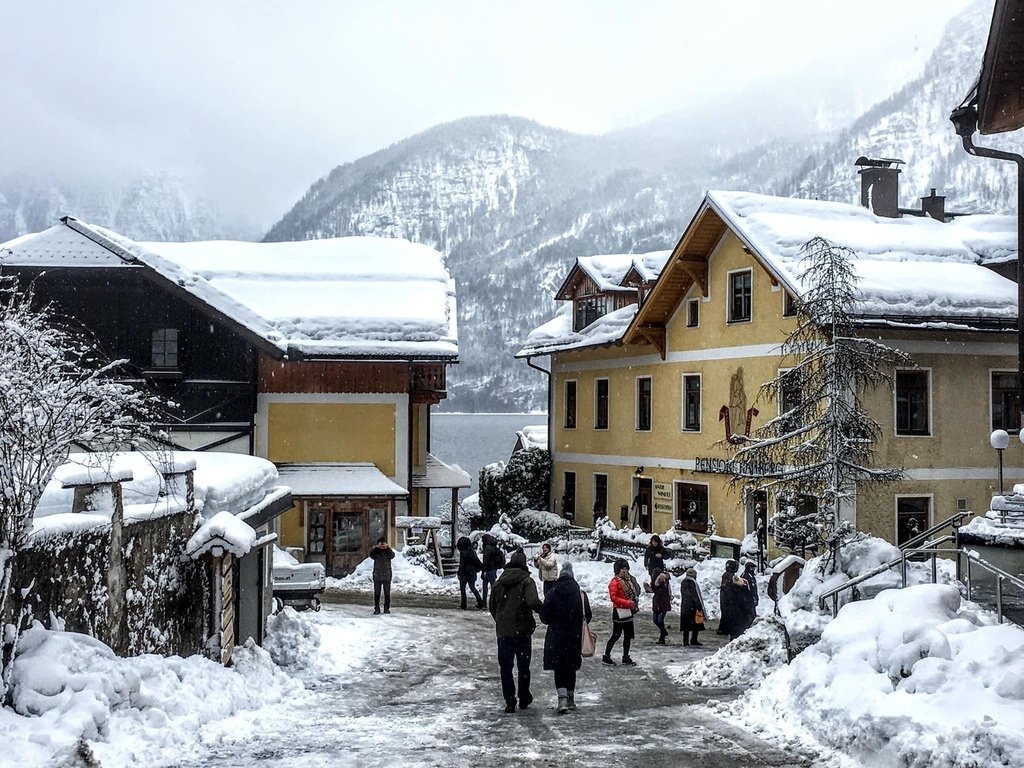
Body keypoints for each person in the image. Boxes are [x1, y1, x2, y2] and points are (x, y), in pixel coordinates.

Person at [488, 549, 543, 713]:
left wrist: (501, 620)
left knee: (505, 667)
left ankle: (509, 700)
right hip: (522, 630)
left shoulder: (499, 582)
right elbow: (533, 601)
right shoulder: (526, 581)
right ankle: (524, 697)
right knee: (523, 666)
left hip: (504, 632)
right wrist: (545, 612)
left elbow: (492, 606)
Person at [539, 561, 592, 714]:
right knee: (570, 667)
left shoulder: (552, 592)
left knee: (559, 667)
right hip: (574, 636)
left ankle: (562, 699)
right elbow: (587, 616)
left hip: (556, 636)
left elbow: (544, 617)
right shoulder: (580, 594)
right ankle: (570, 698)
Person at [602, 559, 639, 666]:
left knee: (628, 636)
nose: (625, 570)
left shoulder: (628, 581)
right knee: (616, 635)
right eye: (623, 568)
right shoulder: (614, 582)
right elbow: (614, 598)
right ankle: (606, 655)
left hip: (628, 611)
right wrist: (627, 602)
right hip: (619, 611)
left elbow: (635, 590)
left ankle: (626, 656)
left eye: (626, 568)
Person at [720, 574, 756, 640]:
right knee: (738, 633)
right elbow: (745, 603)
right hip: (739, 616)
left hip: (732, 616)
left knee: (734, 633)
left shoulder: (729, 591)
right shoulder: (741, 592)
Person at [679, 567, 706, 646]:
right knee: (696, 623)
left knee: (686, 625)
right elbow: (695, 595)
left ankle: (685, 641)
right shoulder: (692, 583)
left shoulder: (683, 582)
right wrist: (698, 605)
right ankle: (694, 640)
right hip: (693, 606)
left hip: (685, 605)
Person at [456, 536, 484, 610]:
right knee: (472, 587)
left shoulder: (463, 553)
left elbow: (462, 565)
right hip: (472, 573)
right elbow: (476, 562)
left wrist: (459, 573)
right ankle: (480, 601)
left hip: (464, 573)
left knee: (463, 589)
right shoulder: (472, 552)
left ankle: (463, 604)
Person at [369, 537, 395, 615]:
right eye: (381, 544)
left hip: (387, 575)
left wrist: (387, 548)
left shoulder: (388, 552)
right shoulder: (376, 552)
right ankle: (377, 608)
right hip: (377, 575)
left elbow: (392, 555)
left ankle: (386, 608)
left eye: (383, 543)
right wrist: (376, 548)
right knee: (377, 593)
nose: (382, 545)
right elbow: (371, 555)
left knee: (387, 593)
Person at [481, 533, 505, 605]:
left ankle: (485, 602)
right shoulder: (493, 546)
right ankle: (495, 601)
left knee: (486, 586)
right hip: (493, 568)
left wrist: (484, 570)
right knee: (493, 586)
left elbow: (486, 560)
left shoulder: (487, 548)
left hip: (488, 569)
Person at [650, 566, 671, 644]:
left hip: (663, 603)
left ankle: (662, 637)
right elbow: (653, 590)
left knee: (660, 620)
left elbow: (665, 590)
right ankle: (664, 631)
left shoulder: (664, 581)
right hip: (656, 602)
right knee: (655, 620)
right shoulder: (654, 581)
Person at [717, 559, 739, 634]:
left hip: (724, 597)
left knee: (725, 613)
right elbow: (733, 586)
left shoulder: (725, 575)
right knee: (729, 614)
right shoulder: (731, 576)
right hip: (729, 597)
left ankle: (723, 628)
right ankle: (726, 629)